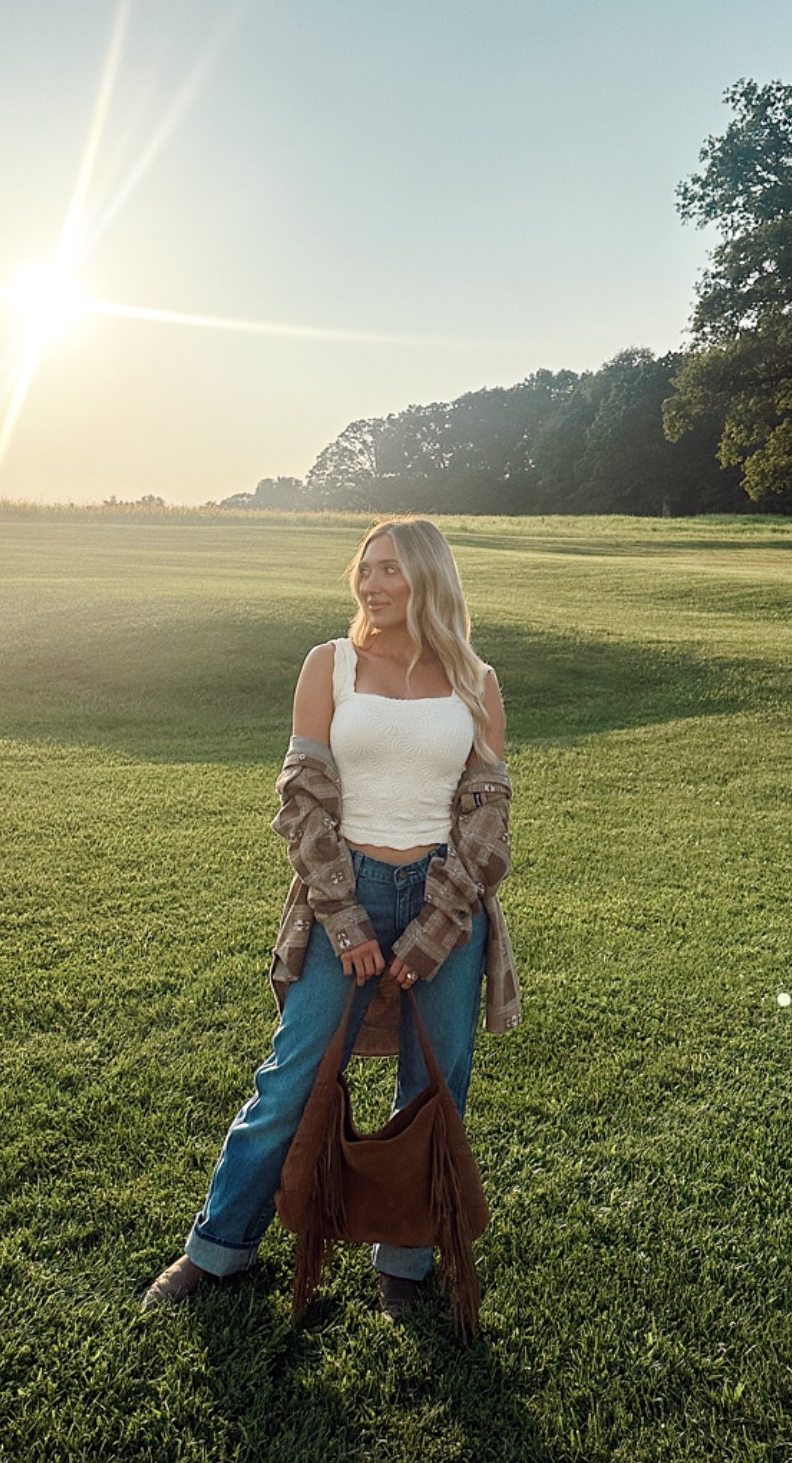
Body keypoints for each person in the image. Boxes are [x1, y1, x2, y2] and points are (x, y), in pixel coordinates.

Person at [142, 516, 520, 1324]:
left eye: (391, 571)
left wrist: (433, 931)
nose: (373, 585)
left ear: (430, 578)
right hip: (341, 887)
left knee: (435, 1086)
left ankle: (404, 1264)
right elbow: (301, 802)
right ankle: (218, 1248)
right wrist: (346, 920)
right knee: (293, 1076)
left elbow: (488, 817)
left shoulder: (475, 681)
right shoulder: (331, 664)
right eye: (365, 569)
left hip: (443, 899)